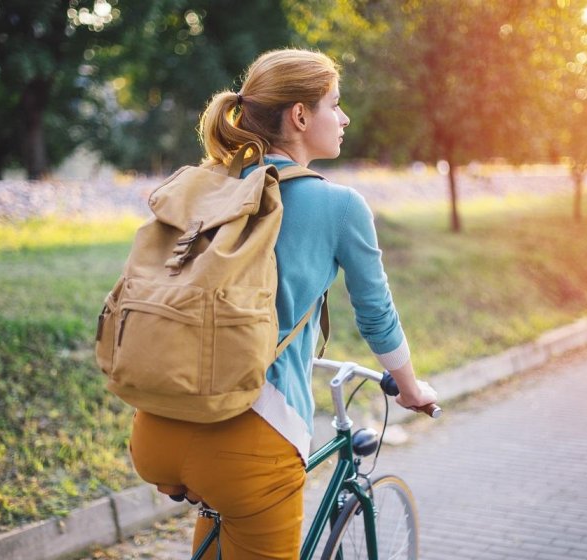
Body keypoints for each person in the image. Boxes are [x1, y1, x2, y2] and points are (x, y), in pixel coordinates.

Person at [128, 48, 438, 560]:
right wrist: (409, 389)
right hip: (249, 439)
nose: (344, 118)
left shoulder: (211, 187)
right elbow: (376, 315)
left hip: (158, 424)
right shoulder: (339, 206)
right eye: (334, 104)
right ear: (299, 116)